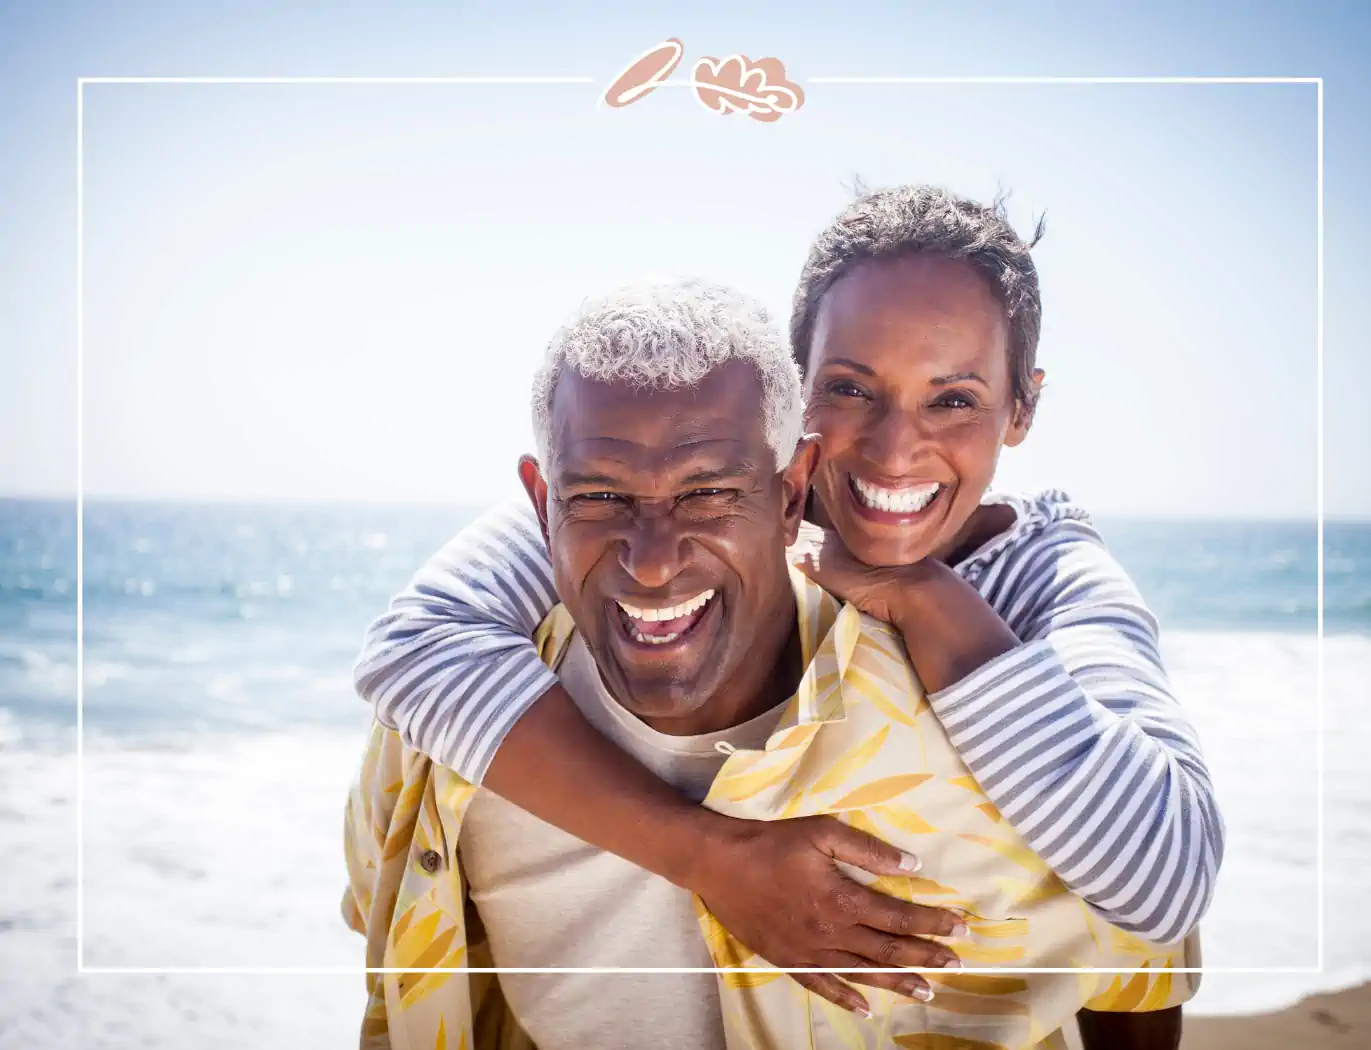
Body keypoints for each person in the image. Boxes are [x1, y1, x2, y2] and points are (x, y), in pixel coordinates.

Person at [344, 276, 1201, 1050]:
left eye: (952, 399)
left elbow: (1147, 911)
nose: (892, 450)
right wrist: (710, 856)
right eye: (849, 390)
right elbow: (416, 649)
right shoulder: (456, 734)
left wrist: (938, 603)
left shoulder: (1017, 674)